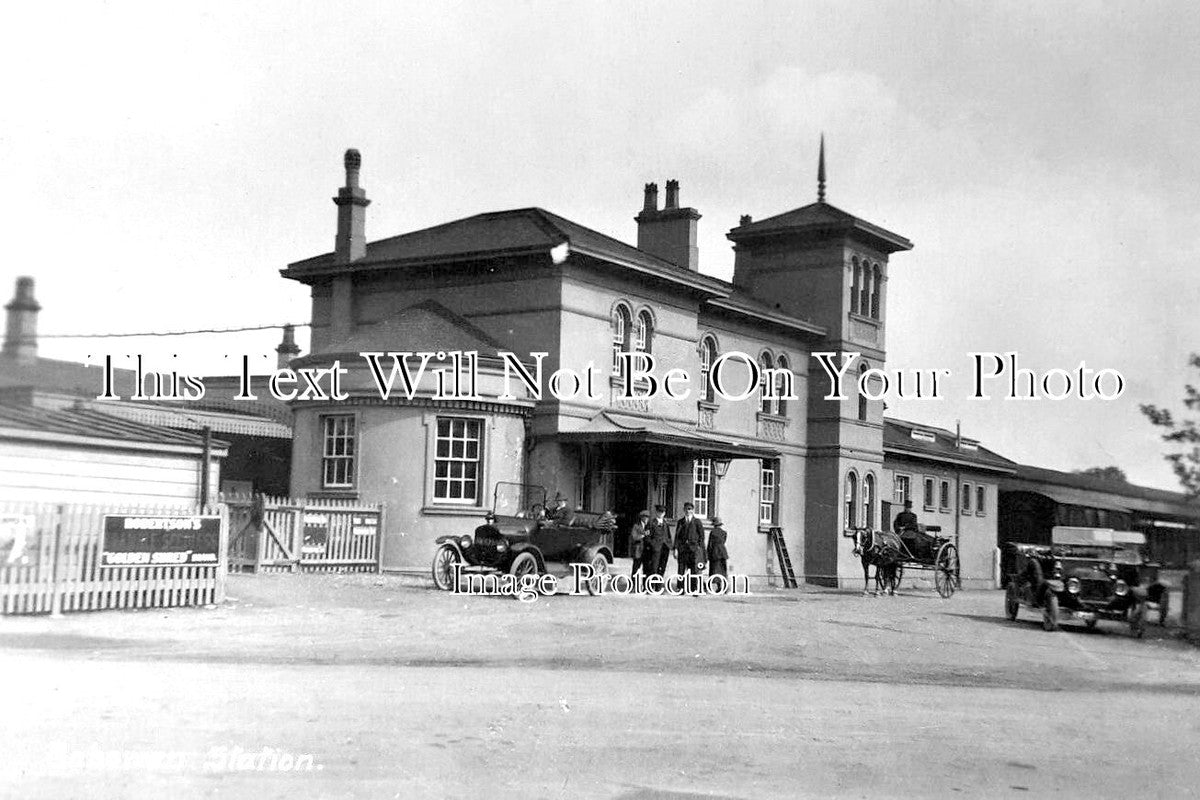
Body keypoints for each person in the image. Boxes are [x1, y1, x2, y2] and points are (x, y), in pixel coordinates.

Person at [674, 501, 705, 577]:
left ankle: (693, 588)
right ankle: (680, 587)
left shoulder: (697, 522)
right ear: (684, 510)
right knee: (681, 569)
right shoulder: (680, 522)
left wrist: (699, 548)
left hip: (693, 549)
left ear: (693, 510)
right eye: (686, 509)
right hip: (683, 549)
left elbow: (702, 536)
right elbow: (677, 536)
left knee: (693, 569)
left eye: (690, 509)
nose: (688, 511)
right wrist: (676, 548)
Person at [643, 505, 672, 577]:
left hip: (664, 548)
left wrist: (669, 544)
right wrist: (653, 545)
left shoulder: (665, 523)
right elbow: (647, 536)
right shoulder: (651, 523)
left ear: (664, 513)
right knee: (653, 568)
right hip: (655, 549)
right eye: (659, 512)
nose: (661, 513)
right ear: (656, 512)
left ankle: (658, 586)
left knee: (662, 568)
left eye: (662, 512)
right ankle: (651, 585)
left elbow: (668, 535)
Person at [628, 510, 649, 577]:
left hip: (646, 551)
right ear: (641, 518)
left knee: (646, 569)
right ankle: (633, 584)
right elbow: (634, 537)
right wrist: (643, 535)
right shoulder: (636, 526)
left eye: (647, 517)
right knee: (636, 568)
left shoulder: (649, 526)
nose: (646, 519)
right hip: (638, 550)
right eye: (645, 517)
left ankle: (645, 585)